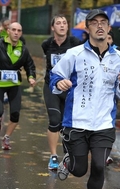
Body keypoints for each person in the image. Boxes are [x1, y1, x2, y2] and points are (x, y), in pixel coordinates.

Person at [50, 9, 120, 189]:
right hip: (76, 121)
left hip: (104, 124)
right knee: (79, 170)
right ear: (87, 28)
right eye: (94, 22)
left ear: (109, 27)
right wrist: (59, 83)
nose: (99, 26)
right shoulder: (75, 54)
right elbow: (55, 76)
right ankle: (68, 161)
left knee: (98, 166)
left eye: (103, 22)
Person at [0, 22, 36, 150]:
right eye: (13, 30)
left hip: (14, 83)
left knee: (15, 114)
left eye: (19, 31)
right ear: (7, 31)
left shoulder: (23, 48)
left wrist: (31, 77)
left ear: (21, 33)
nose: (16, 33)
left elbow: (29, 65)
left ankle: (7, 137)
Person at [41, 14, 81, 170]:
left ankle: (67, 153)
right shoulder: (46, 44)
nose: (62, 25)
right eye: (58, 23)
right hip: (51, 86)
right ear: (53, 27)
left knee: (66, 124)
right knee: (54, 120)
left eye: (64, 23)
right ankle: (53, 156)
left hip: (69, 87)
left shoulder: (75, 43)